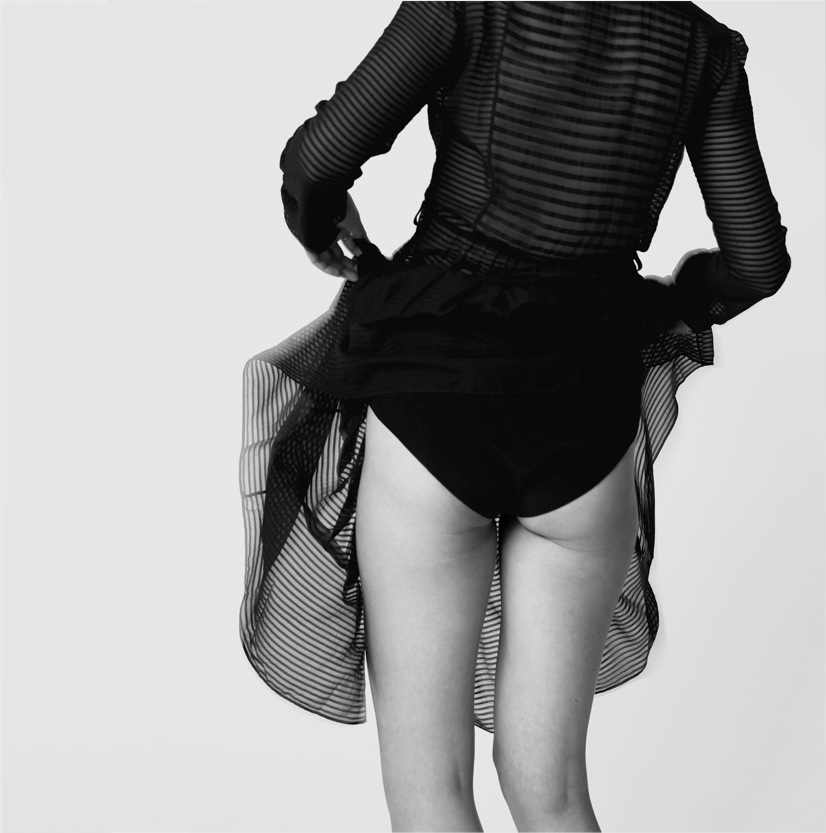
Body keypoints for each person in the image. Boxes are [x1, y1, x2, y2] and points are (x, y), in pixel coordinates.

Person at [238, 2, 791, 830]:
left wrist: (323, 225)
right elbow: (758, 261)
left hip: (438, 402)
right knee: (552, 788)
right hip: (583, 416)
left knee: (430, 791)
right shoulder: (700, 45)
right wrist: (678, 298)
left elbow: (317, 159)